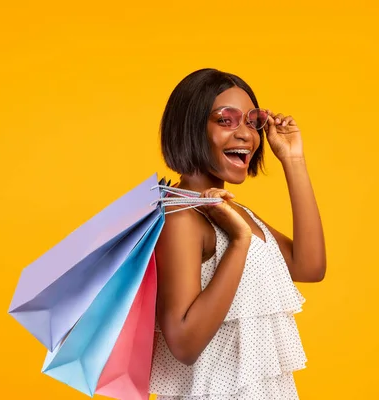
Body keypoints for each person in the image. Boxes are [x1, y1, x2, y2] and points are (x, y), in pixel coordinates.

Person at [149, 68, 326, 399]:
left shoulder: (233, 212)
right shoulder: (180, 216)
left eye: (251, 120)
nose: (246, 134)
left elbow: (309, 267)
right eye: (225, 120)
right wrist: (239, 243)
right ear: (191, 128)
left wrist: (293, 159)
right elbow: (184, 344)